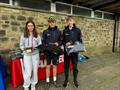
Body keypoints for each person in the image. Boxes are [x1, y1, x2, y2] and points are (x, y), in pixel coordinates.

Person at [20, 20, 42, 90]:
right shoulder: (23, 35)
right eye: (29, 26)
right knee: (28, 72)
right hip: (27, 56)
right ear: (26, 27)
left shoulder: (37, 35)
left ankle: (33, 84)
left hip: (35, 55)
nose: (30, 27)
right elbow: (21, 46)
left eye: (31, 26)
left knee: (35, 71)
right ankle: (26, 85)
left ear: (34, 26)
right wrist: (26, 49)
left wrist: (36, 48)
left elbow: (40, 44)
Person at [63, 16, 83, 88]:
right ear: (67, 22)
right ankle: (66, 80)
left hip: (74, 52)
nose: (69, 22)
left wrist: (75, 44)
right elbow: (63, 41)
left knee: (75, 67)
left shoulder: (77, 30)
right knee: (66, 66)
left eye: (71, 21)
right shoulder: (65, 30)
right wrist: (65, 43)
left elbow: (80, 41)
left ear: (73, 22)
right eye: (68, 21)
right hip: (67, 52)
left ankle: (75, 80)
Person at [42, 16, 62, 89]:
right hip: (47, 52)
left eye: (53, 22)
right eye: (50, 22)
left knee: (54, 66)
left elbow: (61, 41)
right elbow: (43, 42)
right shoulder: (45, 31)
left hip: (55, 52)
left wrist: (58, 43)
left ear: (55, 22)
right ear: (49, 23)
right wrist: (46, 47)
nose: (52, 23)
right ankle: (47, 81)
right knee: (47, 66)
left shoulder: (59, 32)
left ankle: (54, 80)